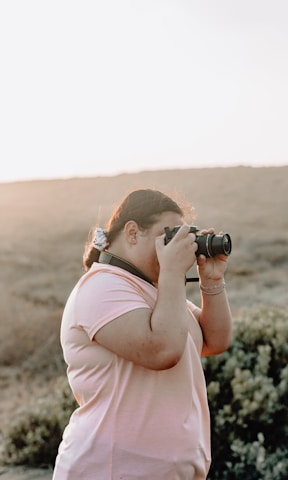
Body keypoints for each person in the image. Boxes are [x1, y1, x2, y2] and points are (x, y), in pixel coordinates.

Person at [53, 188, 233, 480]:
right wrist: (173, 273)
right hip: (109, 470)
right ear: (133, 232)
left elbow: (215, 340)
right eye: (169, 236)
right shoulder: (101, 287)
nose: (177, 248)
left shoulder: (156, 292)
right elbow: (162, 350)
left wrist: (211, 279)